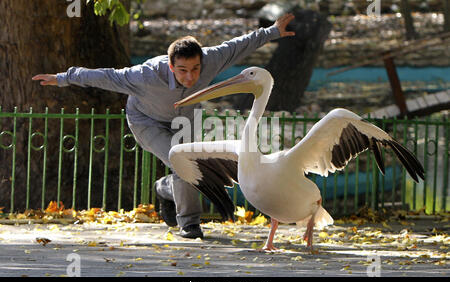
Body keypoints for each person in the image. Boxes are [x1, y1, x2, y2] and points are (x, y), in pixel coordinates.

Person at [32, 13, 295, 239]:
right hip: (147, 122)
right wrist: (63, 78)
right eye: (182, 70)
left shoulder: (212, 59)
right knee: (182, 163)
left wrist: (272, 31)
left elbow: (239, 45)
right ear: (170, 66)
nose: (191, 76)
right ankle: (190, 224)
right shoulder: (144, 76)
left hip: (186, 121)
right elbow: (105, 76)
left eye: (195, 69)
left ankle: (165, 188)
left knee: (189, 164)